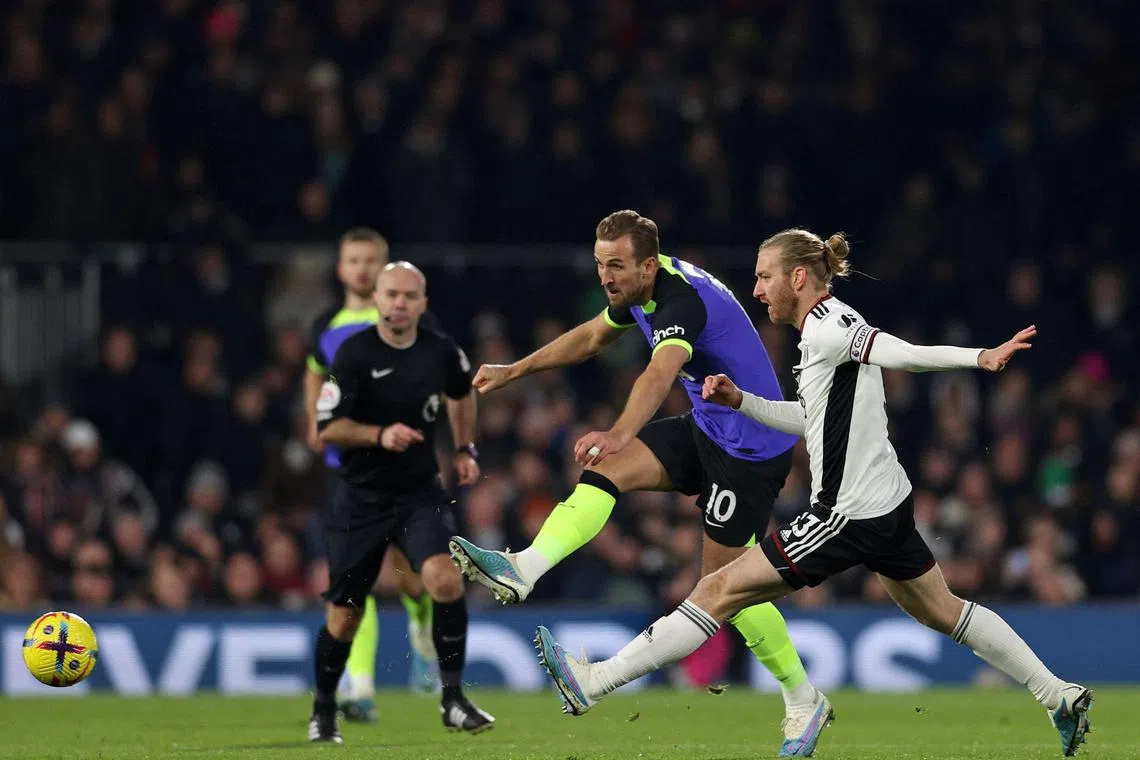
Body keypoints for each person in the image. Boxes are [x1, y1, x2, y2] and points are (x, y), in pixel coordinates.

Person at [533, 229, 1093, 758]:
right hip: (886, 503)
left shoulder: (830, 325)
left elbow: (894, 349)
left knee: (717, 588)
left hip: (846, 515)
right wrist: (741, 402)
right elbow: (811, 417)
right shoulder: (817, 336)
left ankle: (597, 680)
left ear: (798, 278)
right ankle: (1058, 695)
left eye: (764, 277)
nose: (756, 290)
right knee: (946, 610)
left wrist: (979, 359)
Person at [449, 210, 828, 755]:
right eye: (601, 264)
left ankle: (802, 697)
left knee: (724, 591)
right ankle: (524, 568)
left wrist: (622, 430)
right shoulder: (642, 293)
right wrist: (513, 371)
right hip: (710, 430)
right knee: (605, 472)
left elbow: (659, 372)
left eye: (618, 266)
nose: (607, 277)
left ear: (648, 265)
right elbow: (590, 337)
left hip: (751, 451)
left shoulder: (682, 302)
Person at [308, 261, 492, 743]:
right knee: (344, 616)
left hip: (418, 492)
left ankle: (452, 699)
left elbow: (462, 392)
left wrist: (464, 448)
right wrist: (378, 433)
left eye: (409, 296)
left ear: (422, 304)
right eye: (391, 294)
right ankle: (323, 708)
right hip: (360, 499)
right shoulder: (352, 354)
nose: (398, 303)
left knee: (445, 579)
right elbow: (329, 427)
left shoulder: (440, 352)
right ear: (377, 299)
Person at [305, 228, 438, 721]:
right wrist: (313, 424)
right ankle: (359, 690)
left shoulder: (405, 320)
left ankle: (423, 634)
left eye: (371, 261)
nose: (361, 269)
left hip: (404, 472)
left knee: (413, 581)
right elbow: (314, 370)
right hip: (348, 473)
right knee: (350, 582)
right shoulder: (326, 324)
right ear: (341, 268)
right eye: (353, 260)